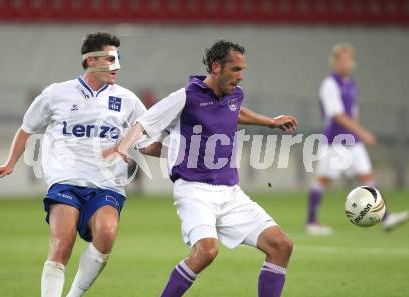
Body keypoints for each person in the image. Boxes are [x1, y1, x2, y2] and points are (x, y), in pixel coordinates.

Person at [103, 40, 298, 297]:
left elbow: (236, 111)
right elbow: (143, 123)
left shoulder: (233, 95)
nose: (241, 76)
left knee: (281, 246)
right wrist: (123, 146)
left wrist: (271, 122)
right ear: (216, 67)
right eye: (236, 69)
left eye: (243, 70)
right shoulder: (185, 97)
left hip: (230, 192)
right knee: (206, 251)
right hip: (194, 190)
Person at [0, 32, 160, 297]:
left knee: (106, 235)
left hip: (107, 184)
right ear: (91, 60)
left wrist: (177, 153)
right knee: (62, 243)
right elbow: (26, 129)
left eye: (118, 58)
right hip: (66, 179)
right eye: (110, 58)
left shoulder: (128, 100)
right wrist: (10, 162)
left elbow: (145, 141)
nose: (117, 65)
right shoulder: (56, 94)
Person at [305, 43, 409, 235]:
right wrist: (362, 132)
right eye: (341, 58)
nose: (345, 62)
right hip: (335, 141)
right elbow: (337, 115)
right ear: (334, 61)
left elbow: (352, 114)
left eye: (348, 59)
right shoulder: (330, 84)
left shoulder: (350, 83)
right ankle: (311, 222)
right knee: (323, 180)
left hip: (353, 141)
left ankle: (386, 217)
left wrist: (358, 134)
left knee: (367, 177)